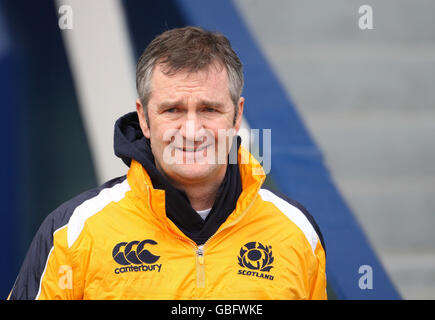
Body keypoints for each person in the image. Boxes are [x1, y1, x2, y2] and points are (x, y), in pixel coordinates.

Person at [8, 26, 327, 300]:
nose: (191, 131)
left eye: (209, 109)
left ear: (236, 116)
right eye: (172, 110)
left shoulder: (296, 231)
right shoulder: (72, 232)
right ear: (144, 118)